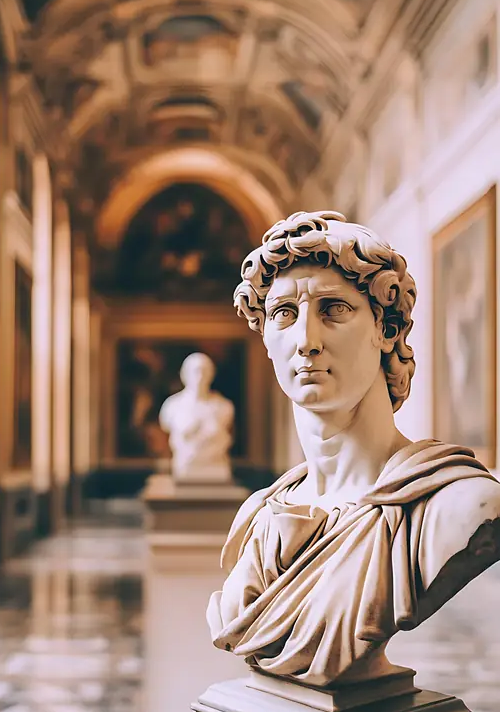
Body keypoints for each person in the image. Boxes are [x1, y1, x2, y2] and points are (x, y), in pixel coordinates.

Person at [207, 210, 500, 686]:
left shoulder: (461, 506)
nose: (306, 341)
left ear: (385, 329)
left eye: (334, 310)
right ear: (264, 336)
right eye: (283, 314)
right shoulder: (260, 519)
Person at [159, 353, 234, 483]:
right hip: (185, 468)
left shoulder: (223, 407)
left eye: (205, 371)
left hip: (216, 469)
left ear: (211, 374)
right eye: (195, 371)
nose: (200, 376)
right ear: (184, 374)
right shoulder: (172, 406)